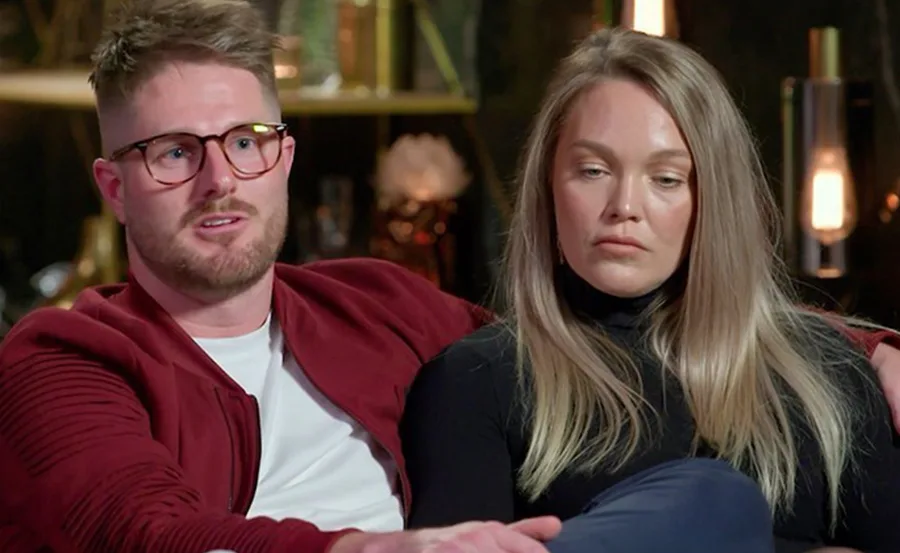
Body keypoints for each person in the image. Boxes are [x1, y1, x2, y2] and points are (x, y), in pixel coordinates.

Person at [0, 1, 893, 552]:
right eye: (172, 153)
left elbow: (593, 329)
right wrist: (365, 549)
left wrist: (860, 350)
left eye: (245, 141)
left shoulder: (375, 307)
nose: (219, 179)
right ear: (112, 185)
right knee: (714, 499)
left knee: (705, 500)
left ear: (284, 157)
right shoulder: (59, 360)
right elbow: (142, 529)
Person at [400, 27, 900, 553]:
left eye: (666, 179)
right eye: (592, 170)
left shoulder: (826, 374)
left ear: (713, 199)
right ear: (548, 187)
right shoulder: (478, 380)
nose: (624, 206)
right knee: (716, 497)